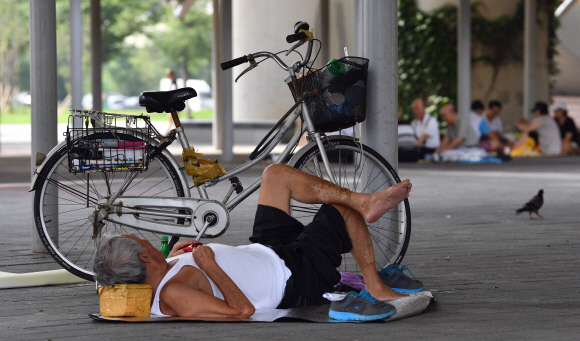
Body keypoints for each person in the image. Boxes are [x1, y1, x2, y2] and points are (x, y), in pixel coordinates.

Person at [94, 164, 422, 320]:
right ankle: (375, 284)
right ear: (144, 261)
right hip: (295, 275)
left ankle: (362, 200)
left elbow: (105, 280)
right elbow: (241, 311)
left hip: (268, 250)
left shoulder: (160, 270)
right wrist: (209, 266)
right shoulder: (172, 294)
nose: (148, 241)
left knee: (274, 175)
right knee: (341, 210)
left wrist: (179, 257)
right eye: (142, 243)